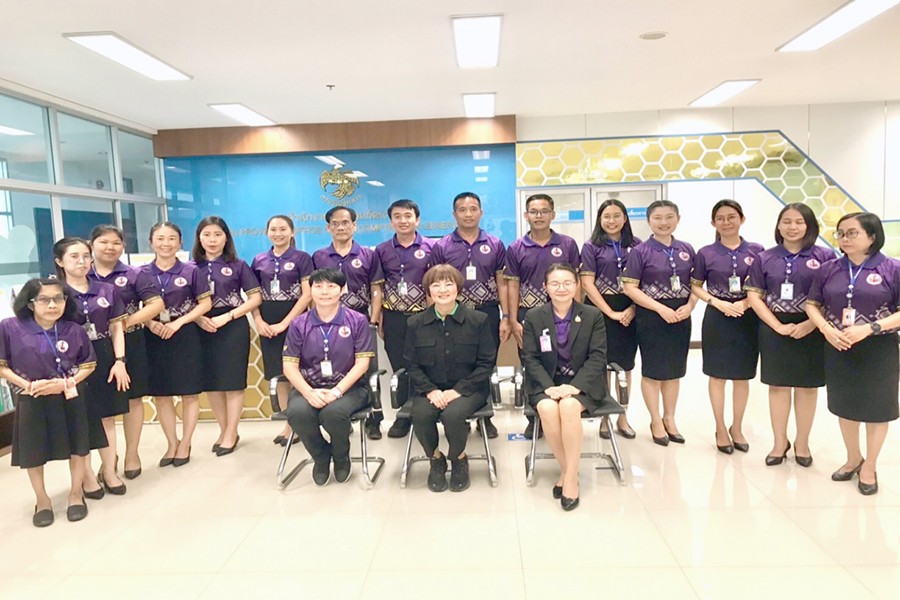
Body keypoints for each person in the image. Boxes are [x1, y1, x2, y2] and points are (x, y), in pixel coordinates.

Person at [806, 212, 900, 495]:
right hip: (839, 345)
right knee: (845, 405)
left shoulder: (892, 269)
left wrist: (870, 328)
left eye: (852, 233)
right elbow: (812, 304)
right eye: (840, 233)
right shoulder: (829, 268)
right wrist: (825, 329)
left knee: (877, 409)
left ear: (872, 236)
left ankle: (870, 465)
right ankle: (853, 458)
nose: (844, 238)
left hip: (878, 348)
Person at [0, 278, 96, 526]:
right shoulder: (10, 327)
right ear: (30, 303)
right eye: (44, 299)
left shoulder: (74, 329)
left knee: (78, 446)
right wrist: (28, 385)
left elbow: (88, 364)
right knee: (34, 450)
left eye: (58, 298)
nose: (52, 305)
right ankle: (42, 500)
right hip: (32, 396)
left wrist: (65, 383)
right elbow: (2, 366)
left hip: (69, 395)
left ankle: (76, 494)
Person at [746, 203, 834, 467]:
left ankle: (802, 443)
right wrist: (776, 326)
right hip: (774, 327)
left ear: (809, 226)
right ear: (778, 225)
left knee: (807, 388)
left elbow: (833, 296)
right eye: (786, 221)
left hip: (812, 327)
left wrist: (810, 324)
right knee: (778, 386)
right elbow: (755, 296)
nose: (792, 227)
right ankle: (779, 442)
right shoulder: (765, 257)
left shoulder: (825, 257)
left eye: (799, 222)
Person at [521, 264, 610, 511]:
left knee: (569, 406)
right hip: (546, 383)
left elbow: (598, 357)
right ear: (545, 287)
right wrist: (549, 387)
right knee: (548, 409)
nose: (561, 288)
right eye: (555, 283)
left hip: (583, 383)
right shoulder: (534, 316)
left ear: (576, 285)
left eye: (567, 283)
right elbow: (530, 358)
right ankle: (569, 471)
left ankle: (569, 478)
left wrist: (575, 387)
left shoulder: (592, 315)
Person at [404, 264, 497, 493]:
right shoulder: (415, 323)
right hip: (430, 389)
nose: (443, 290)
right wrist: (431, 390)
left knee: (452, 415)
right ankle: (436, 459)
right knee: (421, 415)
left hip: (469, 389)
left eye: (448, 284)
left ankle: (458, 458)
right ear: (428, 290)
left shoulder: (478, 320)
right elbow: (411, 365)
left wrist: (458, 391)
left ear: (458, 288)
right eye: (436, 285)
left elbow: (486, 363)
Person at [282, 268, 375, 486]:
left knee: (334, 413)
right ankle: (321, 457)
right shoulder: (299, 324)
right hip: (309, 387)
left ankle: (341, 457)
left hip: (349, 388)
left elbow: (362, 364)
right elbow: (289, 366)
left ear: (342, 290)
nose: (324, 292)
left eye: (331, 286)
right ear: (311, 290)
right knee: (298, 413)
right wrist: (309, 393)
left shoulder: (357, 320)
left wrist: (336, 391)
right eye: (318, 286)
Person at [55, 237, 129, 499]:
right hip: (70, 361)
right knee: (80, 420)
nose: (82, 261)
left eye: (86, 256)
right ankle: (86, 476)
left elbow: (117, 327)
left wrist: (120, 361)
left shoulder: (106, 290)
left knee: (107, 416)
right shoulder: (55, 293)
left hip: (105, 356)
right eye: (74, 256)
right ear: (59, 261)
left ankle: (109, 471)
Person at [430, 192, 509, 439]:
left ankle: (485, 418)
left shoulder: (495, 244)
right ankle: (459, 414)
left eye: (473, 209)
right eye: (462, 210)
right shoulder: (442, 246)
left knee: (486, 363)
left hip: (487, 311)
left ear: (481, 212)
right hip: (454, 313)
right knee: (456, 362)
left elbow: (502, 282)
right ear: (454, 214)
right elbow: (434, 283)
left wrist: (506, 316)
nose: (468, 214)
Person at [89, 225, 164, 479]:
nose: (109, 247)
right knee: (102, 403)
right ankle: (108, 459)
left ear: (123, 246)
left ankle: (132, 453)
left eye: (116, 243)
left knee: (132, 398)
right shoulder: (82, 274)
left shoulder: (134, 274)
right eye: (103, 242)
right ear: (91, 245)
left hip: (131, 341)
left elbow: (156, 304)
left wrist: (126, 322)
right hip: (94, 346)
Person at [690, 200, 764, 454]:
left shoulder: (757, 251)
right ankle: (720, 427)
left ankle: (737, 427)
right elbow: (696, 286)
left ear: (742, 219)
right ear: (713, 223)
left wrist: (746, 302)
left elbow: (763, 285)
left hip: (747, 316)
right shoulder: (706, 253)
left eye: (731, 217)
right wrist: (716, 302)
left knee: (742, 376)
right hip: (717, 317)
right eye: (720, 218)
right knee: (718, 375)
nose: (726, 222)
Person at [622, 200, 697, 446]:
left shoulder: (687, 249)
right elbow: (630, 288)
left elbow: (696, 285)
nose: (663, 222)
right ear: (649, 221)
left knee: (674, 371)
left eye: (669, 217)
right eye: (657, 218)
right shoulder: (640, 251)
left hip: (681, 317)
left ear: (678, 219)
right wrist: (660, 308)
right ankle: (655, 420)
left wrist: (690, 306)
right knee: (653, 372)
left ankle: (670, 418)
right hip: (651, 317)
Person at [506, 193, 580, 439]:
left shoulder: (567, 244)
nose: (539, 216)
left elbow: (576, 282)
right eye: (534, 211)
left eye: (544, 211)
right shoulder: (516, 248)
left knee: (562, 361)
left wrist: (578, 314)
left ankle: (564, 411)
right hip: (529, 317)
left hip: (564, 314)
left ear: (552, 214)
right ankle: (534, 418)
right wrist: (513, 319)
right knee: (532, 364)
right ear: (526, 215)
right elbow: (512, 285)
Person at [142, 222, 212, 468]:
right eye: (160, 238)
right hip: (154, 336)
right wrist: (150, 323)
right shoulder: (141, 273)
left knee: (188, 392)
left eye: (172, 238)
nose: (166, 243)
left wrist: (179, 323)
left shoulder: (191, 271)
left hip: (185, 334)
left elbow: (205, 304)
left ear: (180, 242)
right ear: (151, 242)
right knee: (161, 394)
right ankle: (172, 442)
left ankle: (186, 442)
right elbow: (135, 307)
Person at [312, 206, 385, 439]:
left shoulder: (368, 255)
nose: (341, 227)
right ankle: (341, 416)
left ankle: (375, 419)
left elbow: (376, 289)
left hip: (361, 320)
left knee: (369, 370)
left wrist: (373, 320)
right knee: (336, 369)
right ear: (328, 228)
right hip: (328, 324)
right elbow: (313, 291)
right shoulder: (319, 256)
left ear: (354, 226)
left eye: (345, 222)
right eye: (335, 223)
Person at [193, 216, 262, 457]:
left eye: (217, 234)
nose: (212, 240)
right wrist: (198, 319)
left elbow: (255, 298)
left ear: (226, 238)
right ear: (199, 238)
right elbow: (184, 300)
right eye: (207, 235)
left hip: (232, 325)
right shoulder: (190, 267)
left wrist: (229, 316)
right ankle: (224, 430)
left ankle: (231, 432)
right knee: (212, 382)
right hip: (201, 326)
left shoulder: (238, 265)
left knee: (232, 381)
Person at [580, 199, 641, 440]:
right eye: (606, 216)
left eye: (617, 216)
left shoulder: (637, 246)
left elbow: (644, 282)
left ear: (625, 219)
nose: (612, 221)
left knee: (625, 366)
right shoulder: (591, 246)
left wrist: (632, 309)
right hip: (598, 311)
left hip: (630, 309)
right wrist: (610, 312)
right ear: (599, 220)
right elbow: (587, 284)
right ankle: (605, 416)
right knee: (601, 366)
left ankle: (623, 417)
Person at [250, 215, 313, 447]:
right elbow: (253, 294)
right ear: (267, 232)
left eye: (283, 229)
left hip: (296, 321)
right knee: (279, 374)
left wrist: (286, 323)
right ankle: (289, 423)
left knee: (297, 373)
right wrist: (258, 320)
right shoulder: (259, 260)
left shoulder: (302, 258)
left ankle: (299, 424)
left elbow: (307, 294)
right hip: (268, 324)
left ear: (292, 232)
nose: (278, 233)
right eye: (273, 229)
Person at [375, 199, 435, 439]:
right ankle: (403, 416)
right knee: (399, 366)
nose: (403, 220)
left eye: (408, 216)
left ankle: (425, 413)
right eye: (397, 216)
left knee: (425, 365)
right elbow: (378, 287)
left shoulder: (432, 247)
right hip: (394, 317)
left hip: (423, 316)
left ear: (417, 219)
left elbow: (437, 282)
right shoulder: (382, 250)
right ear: (391, 221)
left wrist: (434, 316)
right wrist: (379, 317)